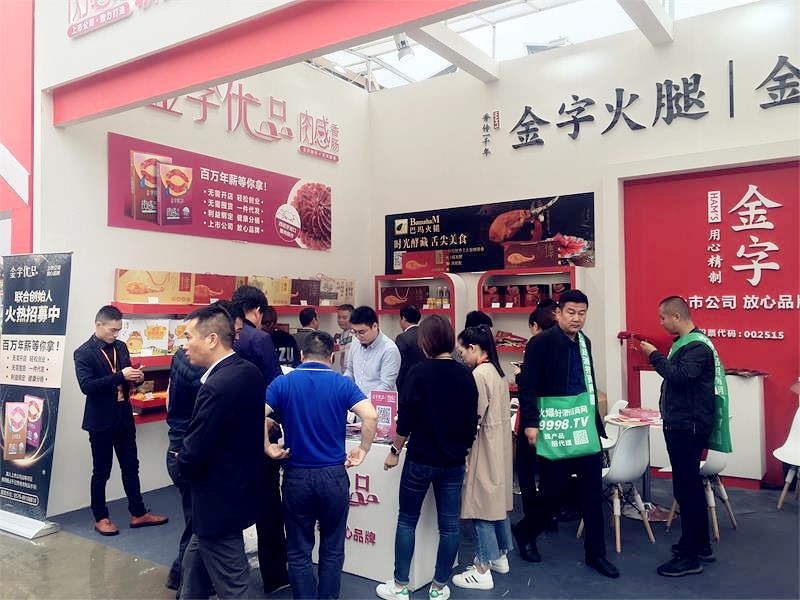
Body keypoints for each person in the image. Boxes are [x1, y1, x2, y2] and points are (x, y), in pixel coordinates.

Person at [265, 331, 378, 599]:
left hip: (297, 476)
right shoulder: (342, 384)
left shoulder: (283, 383)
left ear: (302, 355)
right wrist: (363, 449)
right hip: (333, 476)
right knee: (332, 548)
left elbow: (257, 412)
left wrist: (267, 447)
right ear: (331, 356)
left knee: (298, 550)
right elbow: (371, 415)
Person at [518, 289, 619, 579]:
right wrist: (531, 422)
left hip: (583, 427)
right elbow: (528, 385)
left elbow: (588, 384)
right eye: (571, 312)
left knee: (591, 493)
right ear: (558, 313)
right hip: (556, 427)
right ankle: (526, 532)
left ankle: (596, 554)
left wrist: (595, 424)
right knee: (553, 493)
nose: (577, 318)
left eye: (582, 313)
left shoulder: (585, 342)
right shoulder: (541, 343)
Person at [376, 315, 479, 600]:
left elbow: (406, 420)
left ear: (425, 342)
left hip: (420, 459)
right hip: (453, 463)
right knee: (449, 527)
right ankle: (438, 587)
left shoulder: (418, 373)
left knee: (407, 520)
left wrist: (395, 451)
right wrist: (463, 452)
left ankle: (400, 586)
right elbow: (471, 422)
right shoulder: (465, 375)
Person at [177, 304, 266, 599]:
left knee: (233, 583)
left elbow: (196, 448)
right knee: (193, 567)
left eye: (188, 336)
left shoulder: (217, 386)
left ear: (212, 339)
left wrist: (181, 464)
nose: (184, 345)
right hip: (237, 490)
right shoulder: (249, 371)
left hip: (217, 503)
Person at [74, 305, 168, 536]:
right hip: (100, 421)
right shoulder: (83, 352)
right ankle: (101, 517)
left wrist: (137, 377)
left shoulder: (121, 347)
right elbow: (87, 386)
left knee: (131, 467)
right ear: (99, 325)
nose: (116, 334)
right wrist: (120, 376)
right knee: (101, 471)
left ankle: (138, 513)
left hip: (124, 417)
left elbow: (127, 379)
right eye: (113, 330)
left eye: (118, 330)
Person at [640, 296, 718, 577]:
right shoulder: (688, 344)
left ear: (676, 316)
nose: (661, 323)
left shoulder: (697, 347)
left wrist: (654, 355)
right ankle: (700, 545)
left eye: (662, 318)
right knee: (691, 487)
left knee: (686, 490)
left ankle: (690, 557)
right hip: (685, 423)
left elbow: (679, 376)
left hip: (688, 426)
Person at [230, 285, 288, 594]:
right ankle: (275, 576)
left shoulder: (221, 338)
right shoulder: (260, 339)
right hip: (261, 430)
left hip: (229, 434)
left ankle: (210, 574)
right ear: (257, 311)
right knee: (268, 506)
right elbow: (275, 386)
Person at [452, 325, 514, 591]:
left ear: (474, 348)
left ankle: (482, 569)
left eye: (462, 351)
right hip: (499, 445)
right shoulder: (498, 372)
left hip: (484, 447)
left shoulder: (479, 375)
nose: (461, 357)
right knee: (496, 502)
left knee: (481, 506)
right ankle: (500, 556)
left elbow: (473, 417)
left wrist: (462, 448)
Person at [512, 303, 557, 563]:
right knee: (551, 476)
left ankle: (532, 523)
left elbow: (530, 386)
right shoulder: (566, 344)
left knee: (527, 473)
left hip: (533, 420)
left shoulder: (535, 345)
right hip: (554, 422)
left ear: (534, 326)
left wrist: (520, 376)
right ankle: (546, 519)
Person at [164, 345, 206, 593]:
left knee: (194, 520)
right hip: (189, 451)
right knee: (197, 524)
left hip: (177, 447)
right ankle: (184, 582)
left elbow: (170, 400)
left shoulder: (179, 357)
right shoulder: (201, 367)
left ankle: (180, 575)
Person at [344, 306, 401, 397]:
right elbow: (350, 370)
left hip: (379, 402)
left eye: (362, 332)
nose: (357, 336)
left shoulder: (389, 349)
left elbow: (386, 385)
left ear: (375, 326)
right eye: (354, 331)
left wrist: (363, 401)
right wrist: (345, 386)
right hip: (357, 401)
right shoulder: (355, 342)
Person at [394, 305, 425, 393]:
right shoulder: (426, 334)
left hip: (407, 385)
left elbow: (399, 364)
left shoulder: (402, 338)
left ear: (403, 319)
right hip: (425, 383)